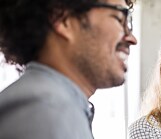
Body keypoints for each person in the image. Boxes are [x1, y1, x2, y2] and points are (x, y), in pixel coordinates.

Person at [0, 0, 137, 138]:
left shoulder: (58, 106)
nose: (132, 39)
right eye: (119, 19)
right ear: (63, 20)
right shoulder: (45, 111)